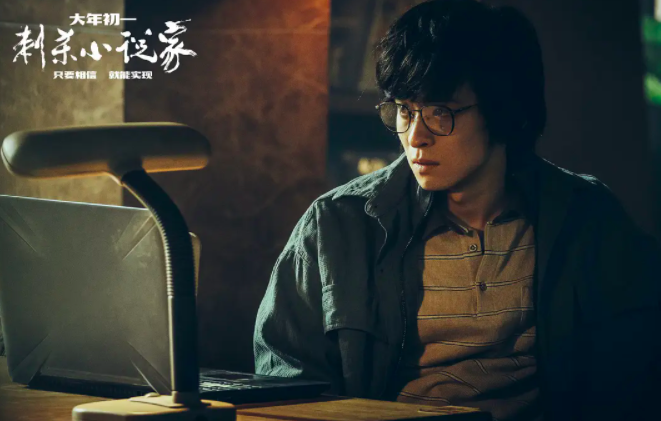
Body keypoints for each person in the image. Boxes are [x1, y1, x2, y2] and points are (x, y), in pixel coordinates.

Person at [253, 1, 661, 420]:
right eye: (405, 110)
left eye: (440, 112)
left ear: (501, 111)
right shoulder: (337, 225)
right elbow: (287, 383)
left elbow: (636, 377)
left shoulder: (585, 219)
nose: (416, 136)